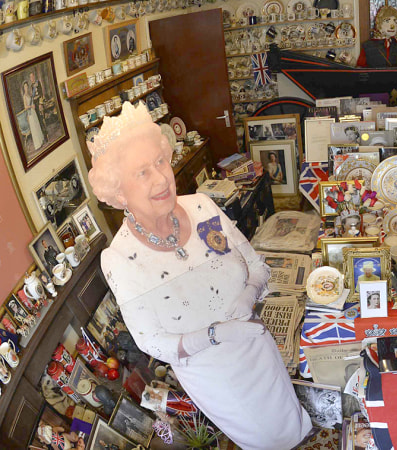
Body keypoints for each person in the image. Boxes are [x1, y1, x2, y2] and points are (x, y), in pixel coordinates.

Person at [87, 102, 311, 449]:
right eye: (142, 172)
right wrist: (215, 333)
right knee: (266, 438)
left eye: (160, 162)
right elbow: (152, 342)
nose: (161, 178)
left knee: (290, 418)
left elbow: (254, 264)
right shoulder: (119, 258)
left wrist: (248, 294)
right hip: (220, 378)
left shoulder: (201, 207)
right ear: (118, 193)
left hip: (257, 347)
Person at [22, 81, 44, 150]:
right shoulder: (24, 96)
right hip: (30, 113)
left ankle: (41, 141)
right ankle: (37, 144)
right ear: (23, 88)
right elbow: (25, 107)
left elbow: (33, 100)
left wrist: (34, 104)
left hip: (33, 111)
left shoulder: (29, 94)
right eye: (25, 86)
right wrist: (31, 106)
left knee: (37, 125)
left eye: (27, 86)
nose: (26, 87)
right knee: (34, 127)